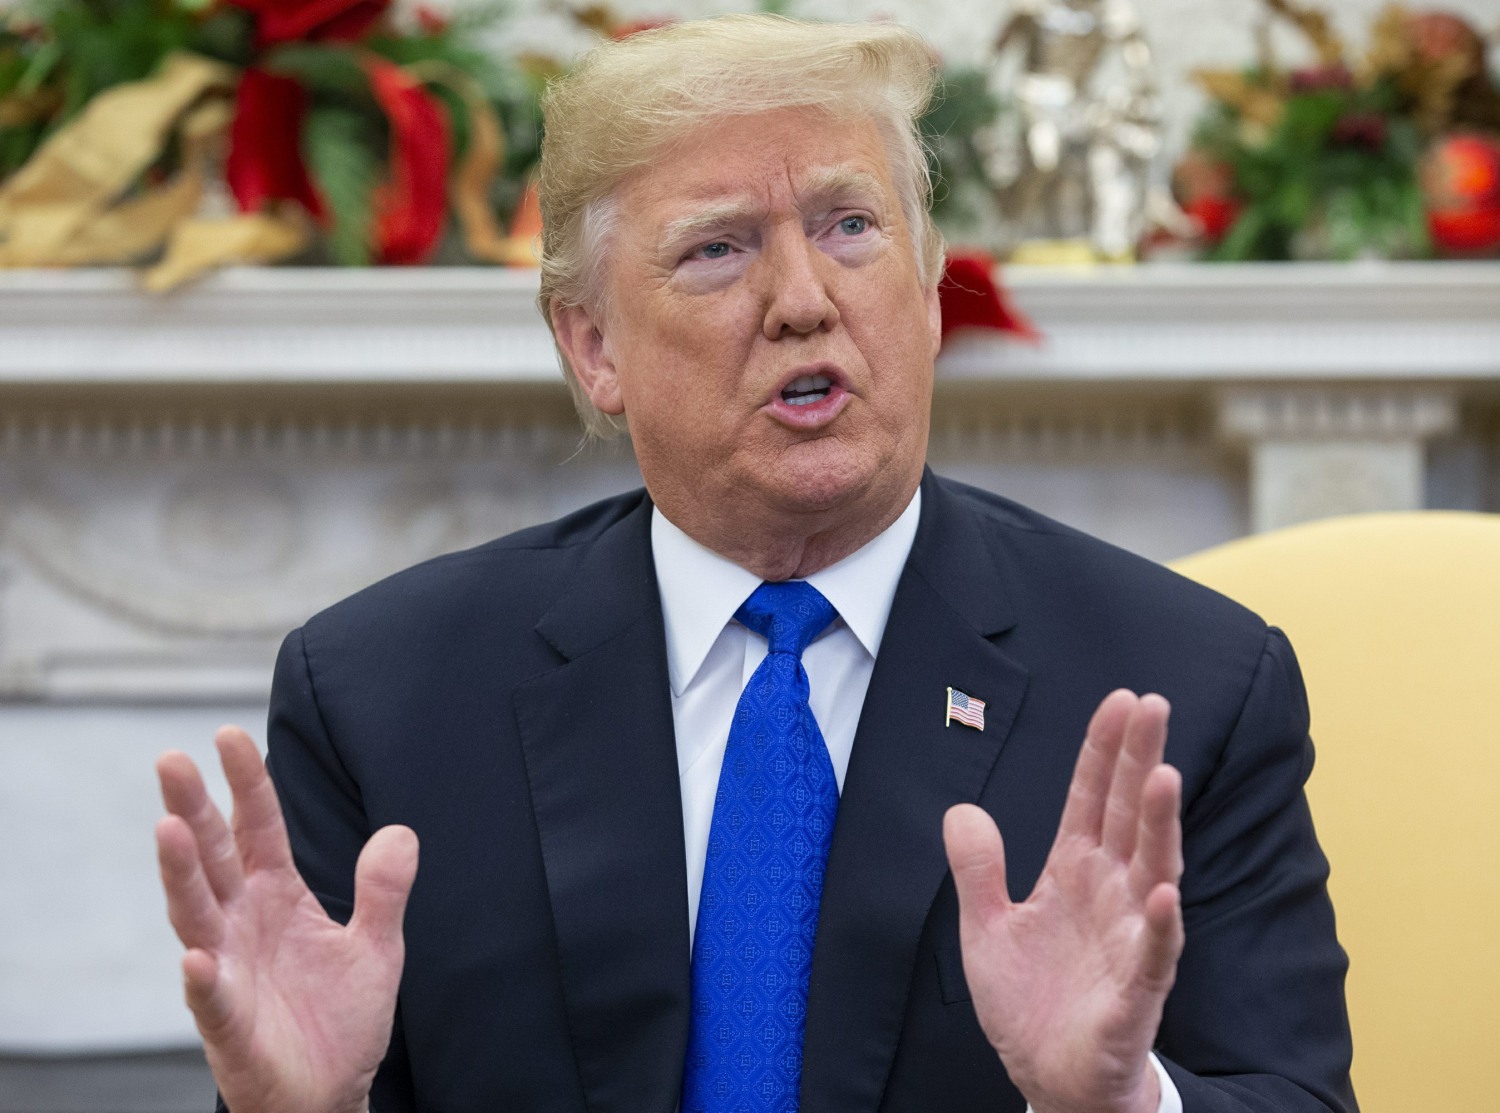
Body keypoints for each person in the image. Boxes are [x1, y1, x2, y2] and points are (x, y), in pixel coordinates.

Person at [154, 15, 1356, 1113]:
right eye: (719, 250)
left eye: (849, 226)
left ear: (932, 292)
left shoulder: (1183, 686)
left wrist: (1122, 1102)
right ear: (594, 348)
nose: (802, 300)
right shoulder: (387, 695)